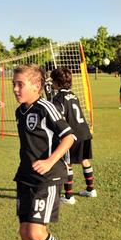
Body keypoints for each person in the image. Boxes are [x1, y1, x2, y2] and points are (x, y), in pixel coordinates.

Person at [12, 64, 76, 240]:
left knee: (37, 232)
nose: (15, 89)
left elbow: (69, 137)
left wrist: (49, 161)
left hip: (46, 178)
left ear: (37, 86)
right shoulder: (19, 111)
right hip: (25, 177)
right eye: (14, 84)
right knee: (25, 232)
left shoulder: (46, 107)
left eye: (20, 84)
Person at [49, 67, 96, 205]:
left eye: (53, 81)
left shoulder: (58, 98)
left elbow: (58, 118)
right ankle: (91, 189)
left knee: (67, 164)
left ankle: (69, 197)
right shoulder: (73, 95)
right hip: (84, 132)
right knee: (84, 160)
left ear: (57, 83)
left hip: (73, 135)